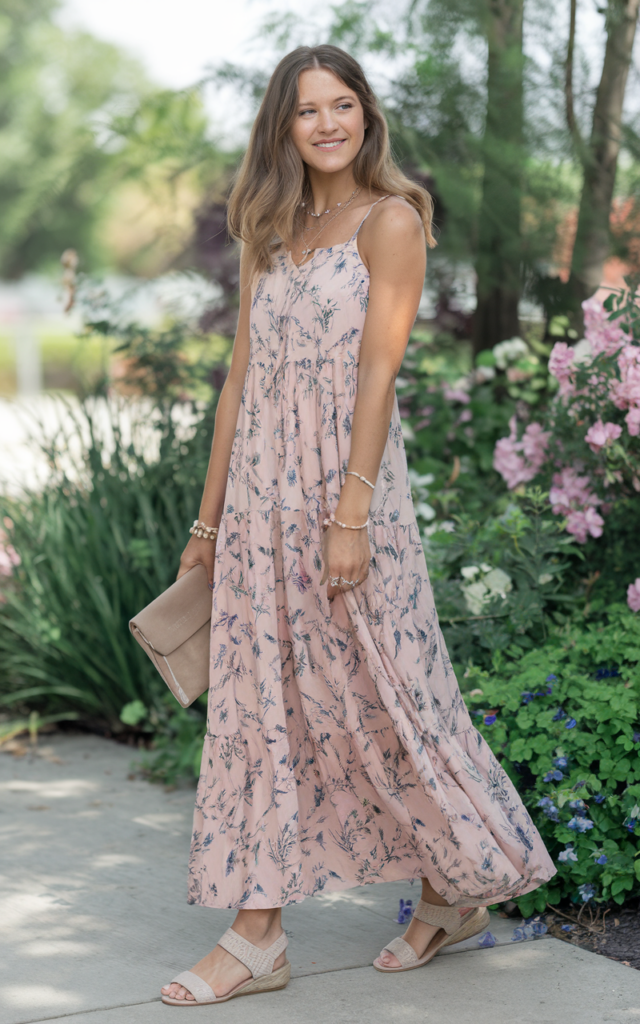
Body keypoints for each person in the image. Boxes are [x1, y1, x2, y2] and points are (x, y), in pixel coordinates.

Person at [161, 44, 556, 1007]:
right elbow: (237, 385)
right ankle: (257, 934)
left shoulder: (392, 221)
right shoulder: (269, 227)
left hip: (348, 496)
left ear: (366, 116)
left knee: (393, 696)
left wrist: (352, 511)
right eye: (308, 111)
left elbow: (378, 372)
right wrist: (208, 529)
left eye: (344, 106)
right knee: (263, 708)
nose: (328, 124)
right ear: (283, 127)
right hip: (258, 502)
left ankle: (455, 887)